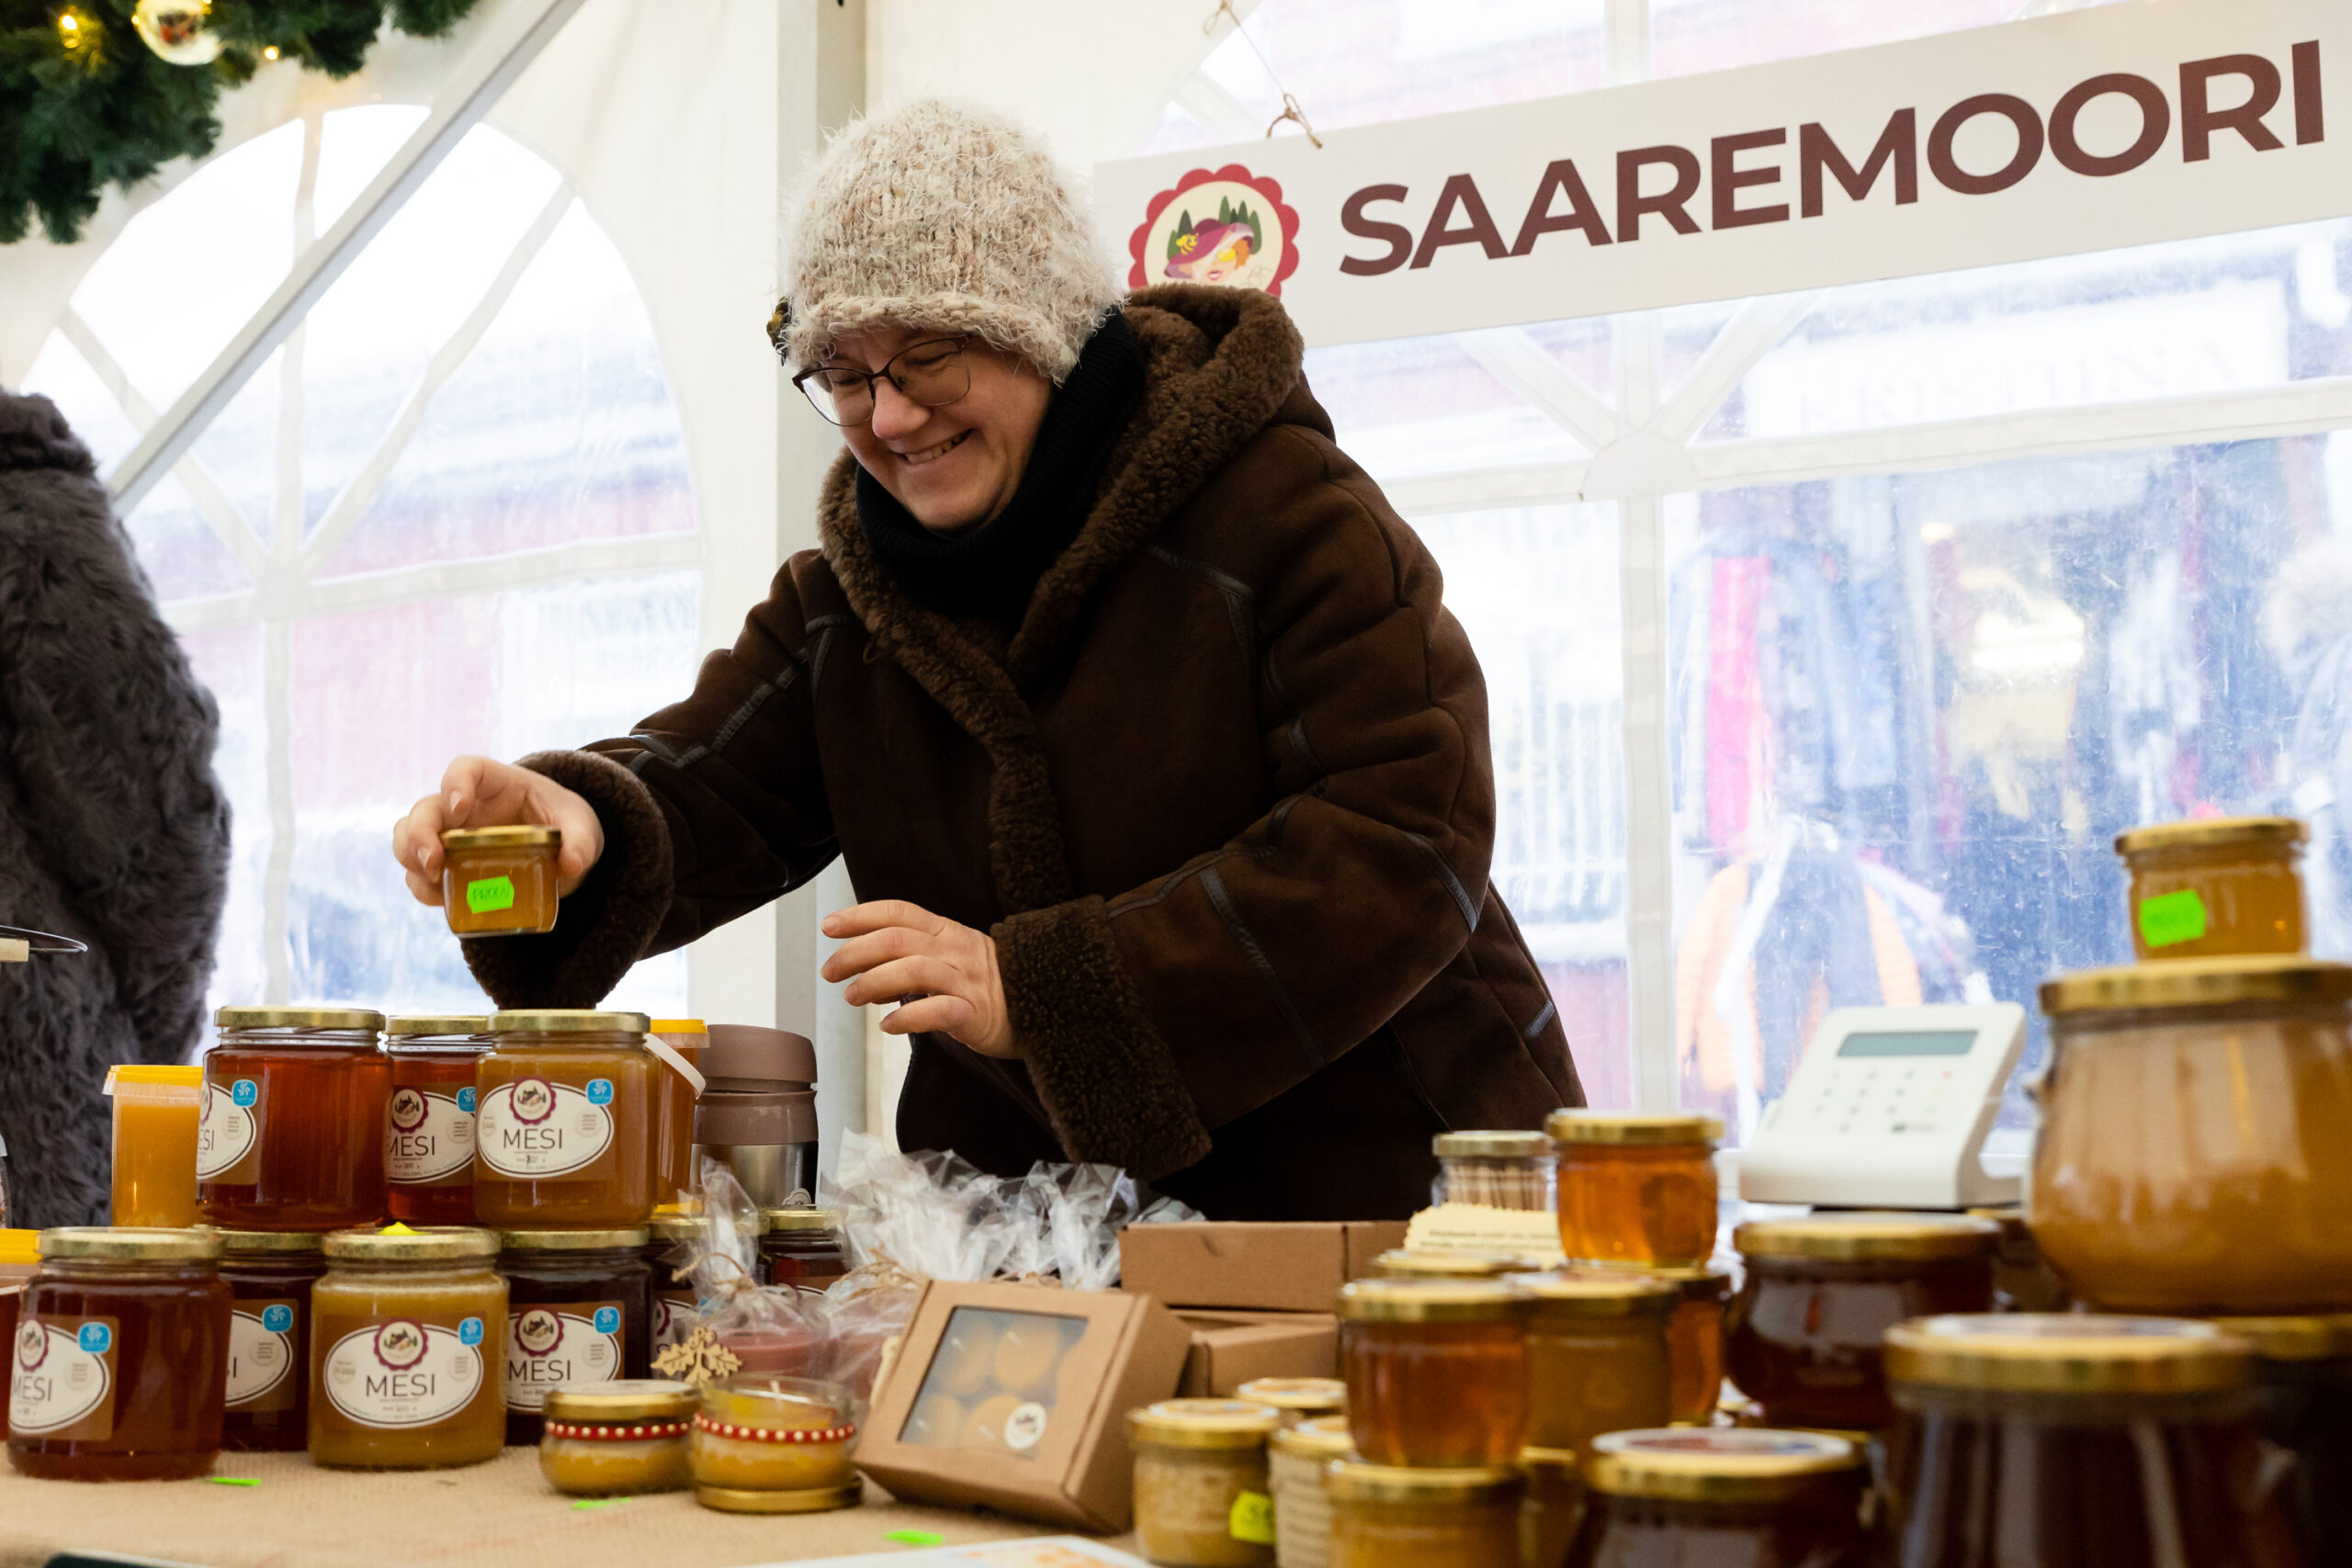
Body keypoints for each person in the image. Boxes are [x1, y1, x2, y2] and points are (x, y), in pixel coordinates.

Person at [391, 101, 1579, 1219]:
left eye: (929, 358)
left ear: (1046, 329)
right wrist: (575, 823)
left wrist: (1044, 993)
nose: (891, 417)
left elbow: (1404, 829)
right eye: (845, 374)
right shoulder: (846, 606)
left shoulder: (1282, 513)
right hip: (1051, 1255)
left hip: (1401, 1213)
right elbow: (701, 785)